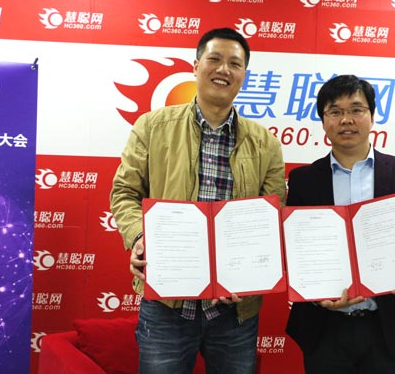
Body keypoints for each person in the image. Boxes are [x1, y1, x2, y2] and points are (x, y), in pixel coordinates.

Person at [110, 27, 286, 374]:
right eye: (214, 59)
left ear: (244, 75)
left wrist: (250, 273)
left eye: (234, 63)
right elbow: (124, 193)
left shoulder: (265, 143)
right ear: (195, 66)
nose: (223, 70)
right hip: (167, 302)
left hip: (235, 309)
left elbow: (271, 215)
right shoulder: (152, 126)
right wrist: (139, 236)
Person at [285, 74, 395, 374]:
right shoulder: (304, 180)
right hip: (324, 327)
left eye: (356, 110)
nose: (346, 120)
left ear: (372, 116)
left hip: (390, 325)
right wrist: (315, 292)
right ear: (323, 121)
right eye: (335, 111)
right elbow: (294, 248)